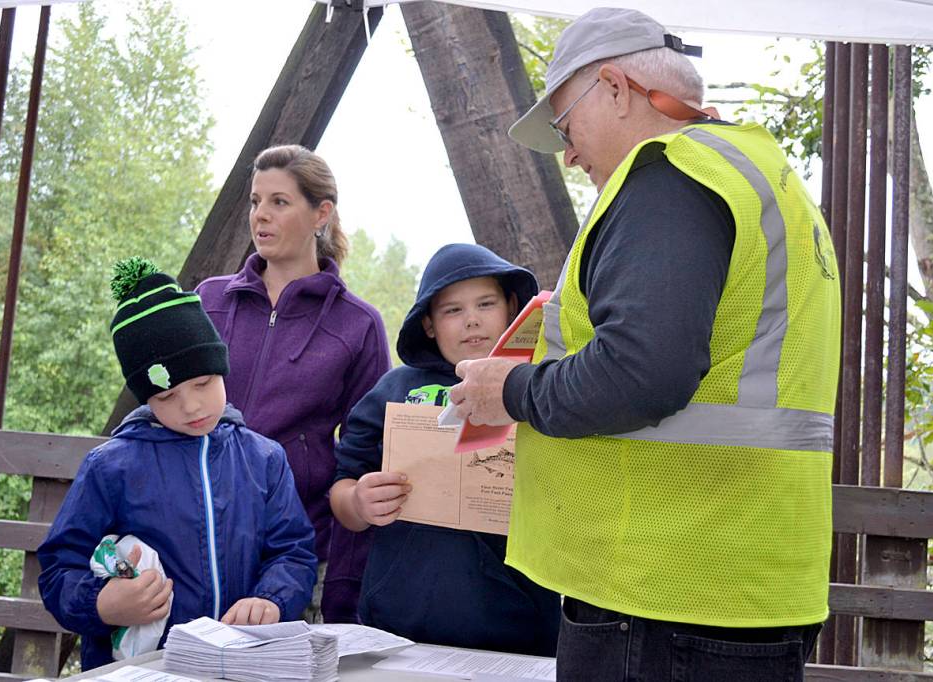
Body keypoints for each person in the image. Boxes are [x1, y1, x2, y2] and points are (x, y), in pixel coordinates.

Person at [449, 8, 841, 681]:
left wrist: (507, 390)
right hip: (739, 581)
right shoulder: (761, 175)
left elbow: (641, 373)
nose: (569, 153)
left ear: (615, 87)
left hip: (660, 595)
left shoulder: (668, 177)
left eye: (566, 127)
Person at [38, 258, 317, 671]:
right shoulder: (109, 467)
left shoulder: (265, 459)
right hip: (142, 671)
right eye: (167, 397)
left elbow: (293, 552)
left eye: (203, 384)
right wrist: (102, 603)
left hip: (240, 666)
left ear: (222, 368)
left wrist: (271, 600)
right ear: (145, 398)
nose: (190, 406)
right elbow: (60, 567)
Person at [329, 243, 560, 656]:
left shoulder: (544, 388)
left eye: (485, 303)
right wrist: (359, 502)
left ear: (512, 307)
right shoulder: (394, 391)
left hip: (522, 632)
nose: (471, 320)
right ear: (429, 325)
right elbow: (341, 487)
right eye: (452, 310)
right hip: (400, 629)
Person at [197, 145, 390, 624]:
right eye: (255, 201)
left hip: (300, 548)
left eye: (279, 202)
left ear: (321, 213)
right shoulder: (209, 301)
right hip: (200, 539)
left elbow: (368, 451)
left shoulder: (357, 324)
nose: (260, 215)